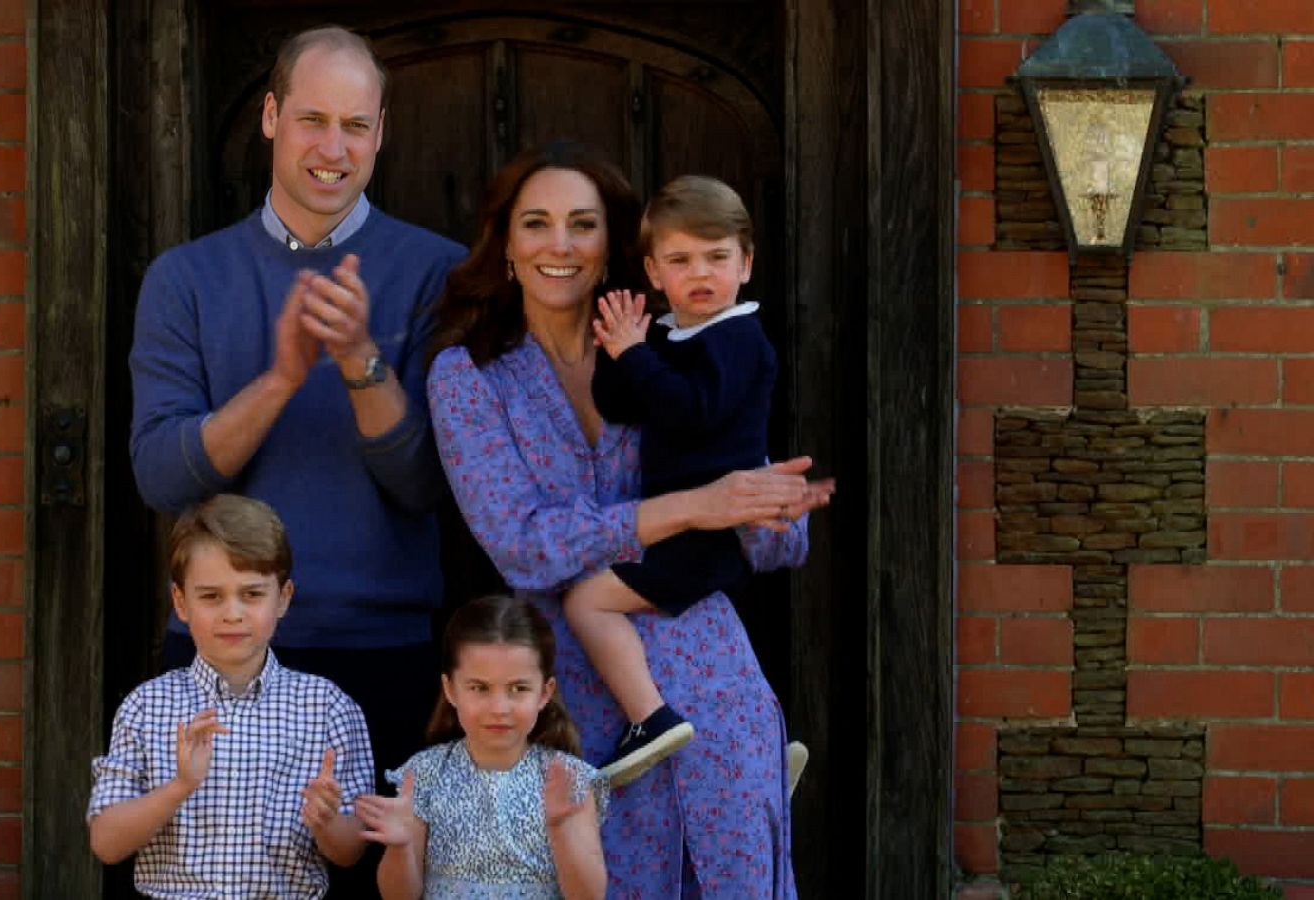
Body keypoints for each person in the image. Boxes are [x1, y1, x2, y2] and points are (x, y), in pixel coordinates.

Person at [425, 141, 833, 898]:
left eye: (582, 225)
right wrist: (687, 508)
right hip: (574, 703)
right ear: (506, 246)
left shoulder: (674, 346)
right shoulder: (469, 376)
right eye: (536, 224)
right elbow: (522, 546)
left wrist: (775, 511)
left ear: (612, 247)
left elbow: (768, 531)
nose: (560, 245)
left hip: (714, 683)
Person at [127, 23, 463, 859]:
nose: (333, 148)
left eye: (356, 126)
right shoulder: (185, 278)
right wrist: (279, 377)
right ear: (271, 116)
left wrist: (358, 362)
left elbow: (429, 484)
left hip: (387, 653)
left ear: (382, 133)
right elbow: (162, 475)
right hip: (224, 654)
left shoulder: (439, 274)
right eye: (313, 120)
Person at [567, 175, 797, 786]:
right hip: (681, 525)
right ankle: (756, 753)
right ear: (653, 270)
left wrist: (638, 355)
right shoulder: (675, 333)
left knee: (586, 600)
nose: (701, 273)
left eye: (717, 257)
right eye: (680, 260)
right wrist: (621, 349)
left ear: (745, 264)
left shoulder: (740, 340)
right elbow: (621, 403)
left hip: (710, 535)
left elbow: (690, 410)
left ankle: (651, 719)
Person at [87, 495, 372, 898]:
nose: (233, 613)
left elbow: (351, 853)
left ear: (284, 597)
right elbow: (105, 843)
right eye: (211, 596)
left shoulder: (328, 709)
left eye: (252, 594)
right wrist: (179, 786)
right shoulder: (146, 707)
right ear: (181, 602)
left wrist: (325, 822)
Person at [355, 594, 607, 900]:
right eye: (480, 688)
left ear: (544, 693)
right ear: (450, 689)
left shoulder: (569, 780)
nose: (499, 707)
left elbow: (590, 896)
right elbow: (399, 896)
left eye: (518, 688)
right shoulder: (423, 774)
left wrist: (560, 830)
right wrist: (400, 846)